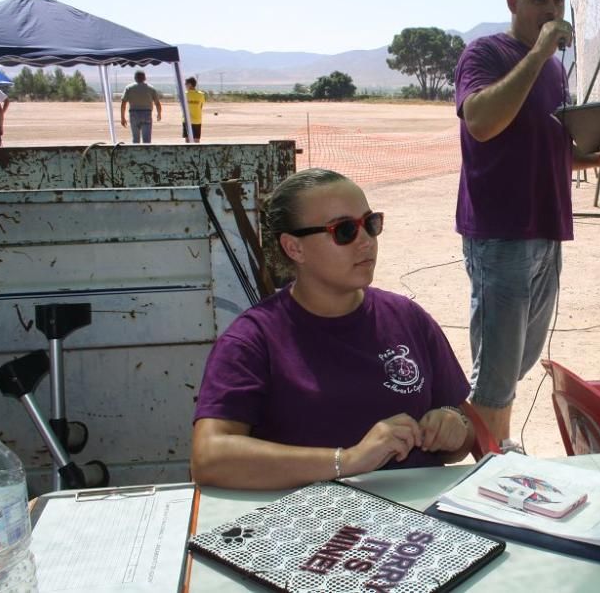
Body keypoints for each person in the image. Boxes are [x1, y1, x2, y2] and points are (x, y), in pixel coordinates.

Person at [455, 0, 600, 453]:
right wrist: (537, 55)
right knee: (496, 369)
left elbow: (550, 154)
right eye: (540, 0)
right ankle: (491, 466)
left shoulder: (557, 73)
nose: (551, 11)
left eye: (558, 1)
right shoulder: (485, 55)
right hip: (500, 232)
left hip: (546, 230)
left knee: (518, 359)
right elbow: (480, 122)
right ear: (513, 1)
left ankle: (490, 442)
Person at [191, 168, 475, 490]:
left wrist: (454, 426)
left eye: (370, 223)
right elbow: (209, 458)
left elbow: (466, 436)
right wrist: (348, 460)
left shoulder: (407, 317)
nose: (366, 241)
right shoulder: (253, 340)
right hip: (314, 521)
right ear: (293, 248)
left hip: (416, 518)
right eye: (344, 231)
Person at [120, 70, 162, 143]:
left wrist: (122, 117)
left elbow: (123, 103)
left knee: (135, 139)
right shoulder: (151, 88)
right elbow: (157, 103)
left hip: (133, 114)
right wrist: (159, 113)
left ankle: (136, 153)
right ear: (145, 78)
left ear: (135, 78)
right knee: (147, 140)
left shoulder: (129, 88)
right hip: (147, 114)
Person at [183, 76, 204, 142]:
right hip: (197, 120)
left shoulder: (184, 94)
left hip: (187, 120)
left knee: (187, 140)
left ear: (190, 84)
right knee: (196, 140)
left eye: (186, 84)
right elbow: (201, 106)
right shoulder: (201, 95)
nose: (185, 85)